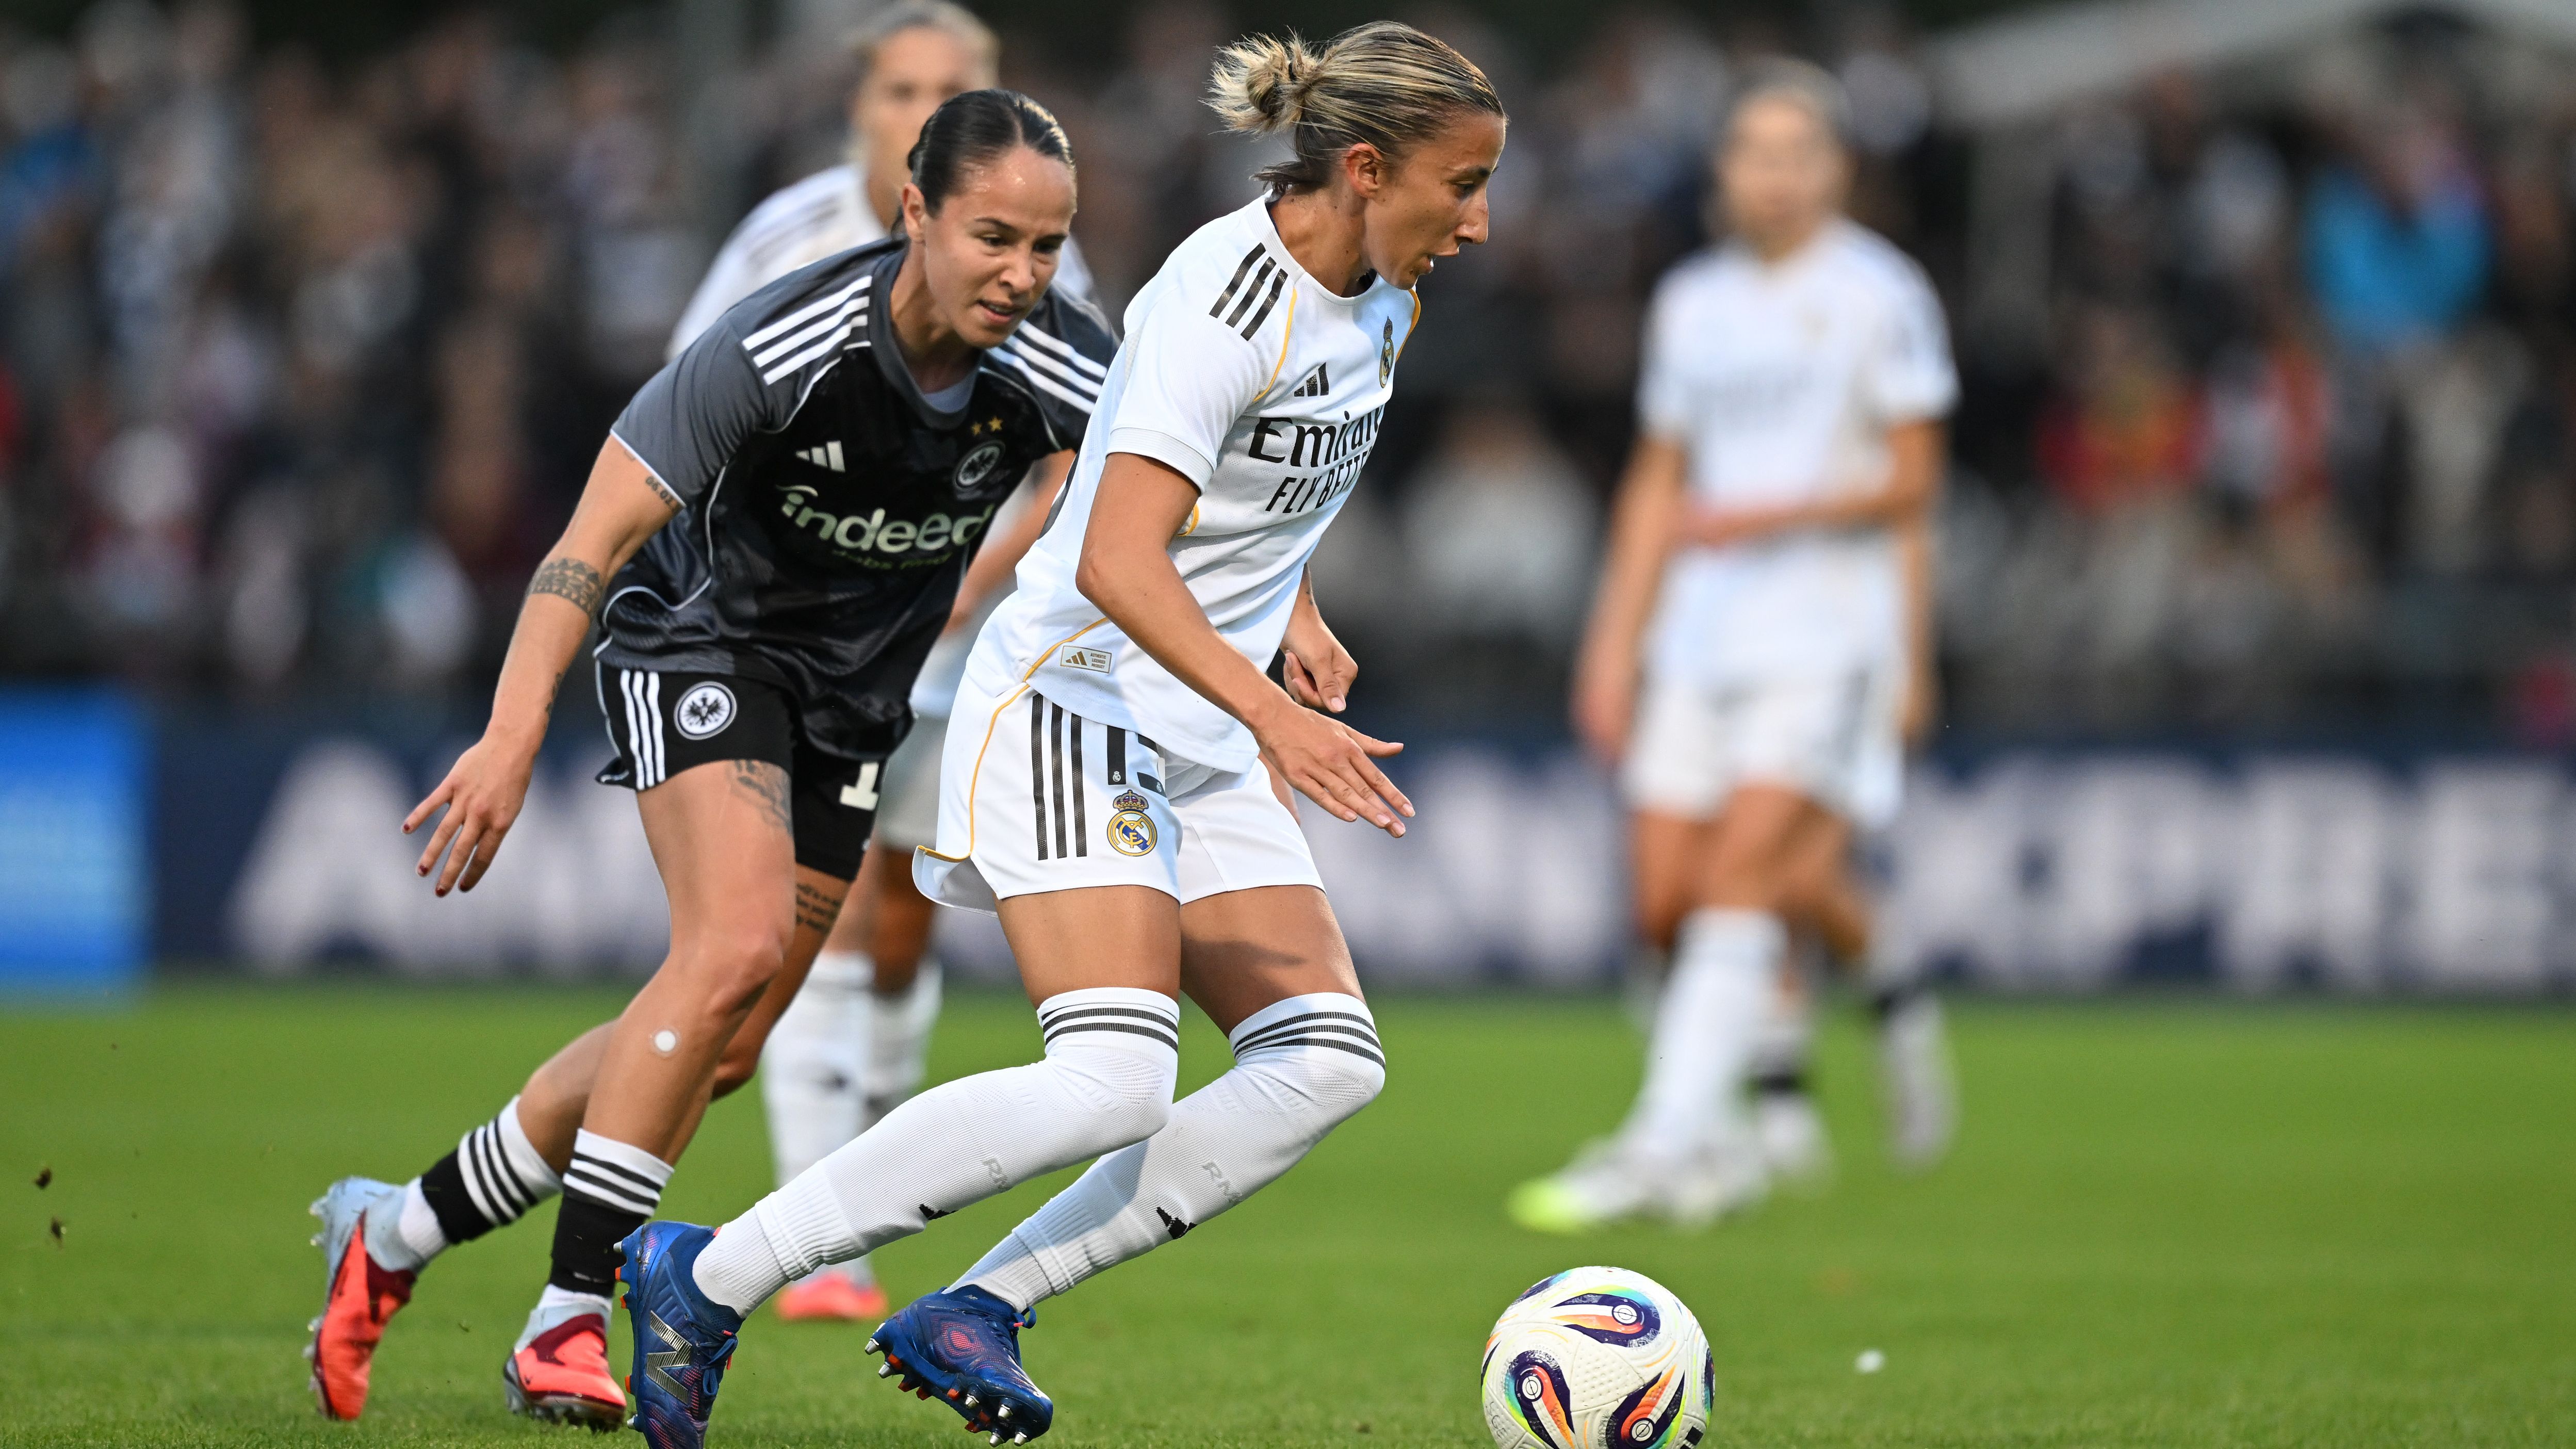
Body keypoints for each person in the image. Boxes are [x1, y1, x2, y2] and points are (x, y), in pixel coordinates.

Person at [606, 24, 1507, 1449]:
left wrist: (1297, 606)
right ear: (1361, 166)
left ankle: (979, 1305)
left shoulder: (1381, 294)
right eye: (1461, 185)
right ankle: (703, 1274)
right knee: (1114, 1076)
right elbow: (1115, 559)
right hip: (1077, 695)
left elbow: (1243, 480)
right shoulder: (1224, 299)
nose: (1476, 218)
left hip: (1197, 709)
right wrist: (1278, 714)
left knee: (1326, 1059)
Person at [303, 90, 1115, 1427]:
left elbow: (1178, 469)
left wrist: (1278, 607)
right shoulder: (785, 339)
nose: (1023, 275)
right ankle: (565, 1320)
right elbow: (589, 540)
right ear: (913, 211)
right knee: (730, 946)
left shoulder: (1058, 362)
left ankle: (391, 1235)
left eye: (1047, 246)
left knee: (709, 1044)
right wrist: (511, 735)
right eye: (993, 238)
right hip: (699, 647)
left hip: (855, 711)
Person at [666, 0, 1098, 1326]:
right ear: (864, 109)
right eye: (898, 82)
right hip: (797, 636)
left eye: (948, 82)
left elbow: (1096, 451)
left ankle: (856, 1171)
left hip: (965, 637)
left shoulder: (1039, 262)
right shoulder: (785, 240)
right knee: (825, 918)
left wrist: (988, 573)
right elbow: (693, 396)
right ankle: (822, 1237)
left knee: (905, 917)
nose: (920, 99)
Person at [1508, 61, 1957, 1234]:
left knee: (1742, 881)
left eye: (1794, 152)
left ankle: (1669, 1144)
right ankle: (1731, 1117)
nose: (1772, 174)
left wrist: (1779, 530)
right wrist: (1612, 643)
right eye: (1752, 152)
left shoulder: (1879, 292)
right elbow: (1658, 481)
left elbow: (1913, 475)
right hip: (1699, 638)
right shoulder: (1694, 301)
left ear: (1833, 169)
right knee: (1662, 902)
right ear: (1725, 171)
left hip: (1823, 631)